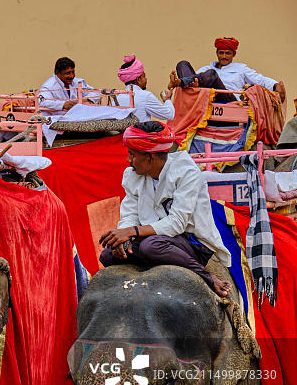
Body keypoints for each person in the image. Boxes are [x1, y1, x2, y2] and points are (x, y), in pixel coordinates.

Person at [98, 121, 232, 296]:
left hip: (191, 242)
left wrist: (131, 231)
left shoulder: (186, 172)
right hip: (151, 239)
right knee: (107, 255)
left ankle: (208, 277)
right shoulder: (132, 175)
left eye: (132, 155)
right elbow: (130, 213)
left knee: (150, 247)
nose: (128, 160)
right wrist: (124, 240)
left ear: (150, 157)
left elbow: (176, 224)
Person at [170, 37, 286, 103]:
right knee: (182, 64)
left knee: (212, 75)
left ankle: (181, 82)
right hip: (202, 99)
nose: (224, 56)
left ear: (233, 54)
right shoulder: (207, 68)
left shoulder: (241, 68)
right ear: (217, 53)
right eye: (221, 53)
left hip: (228, 100)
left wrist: (276, 85)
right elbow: (198, 76)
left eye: (227, 53)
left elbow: (259, 79)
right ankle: (187, 85)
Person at [116, 54, 175, 122]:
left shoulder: (117, 99)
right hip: (140, 132)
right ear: (138, 79)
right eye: (144, 76)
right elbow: (169, 114)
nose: (146, 79)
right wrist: (167, 100)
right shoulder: (145, 96)